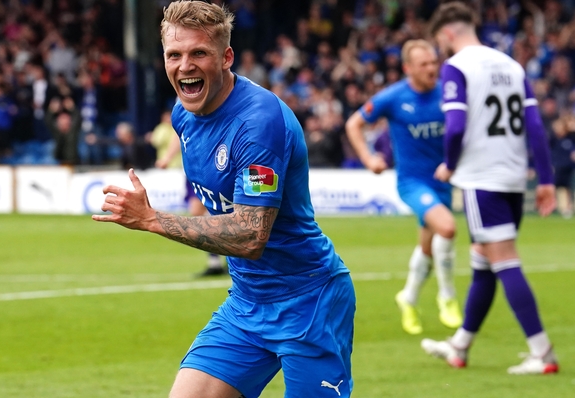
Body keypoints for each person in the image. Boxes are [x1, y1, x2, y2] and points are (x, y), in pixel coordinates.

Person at [92, 1, 355, 397]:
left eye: (199, 53)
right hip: (248, 303)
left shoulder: (258, 123)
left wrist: (150, 219)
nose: (185, 66)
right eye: (174, 55)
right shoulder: (183, 114)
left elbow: (251, 235)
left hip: (308, 301)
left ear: (226, 57)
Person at [421, 2, 558, 375]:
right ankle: (460, 345)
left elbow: (455, 126)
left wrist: (450, 164)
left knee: (503, 259)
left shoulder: (458, 67)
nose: (442, 52)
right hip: (513, 177)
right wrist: (545, 179)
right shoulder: (512, 65)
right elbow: (535, 126)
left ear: (448, 33)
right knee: (484, 261)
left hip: (482, 178)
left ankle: (542, 352)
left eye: (441, 43)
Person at [345, 39, 462, 335]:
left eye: (434, 62)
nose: (431, 68)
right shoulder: (394, 97)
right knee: (447, 228)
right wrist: (369, 158)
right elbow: (353, 124)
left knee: (429, 247)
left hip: (443, 182)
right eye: (424, 64)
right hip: (412, 182)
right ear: (408, 68)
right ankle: (447, 296)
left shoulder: (447, 94)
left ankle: (408, 298)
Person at [150, 110, 226, 276]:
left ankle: (228, 259)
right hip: (195, 169)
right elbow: (179, 133)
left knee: (220, 211)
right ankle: (218, 261)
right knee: (199, 212)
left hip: (216, 165)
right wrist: (167, 158)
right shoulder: (183, 106)